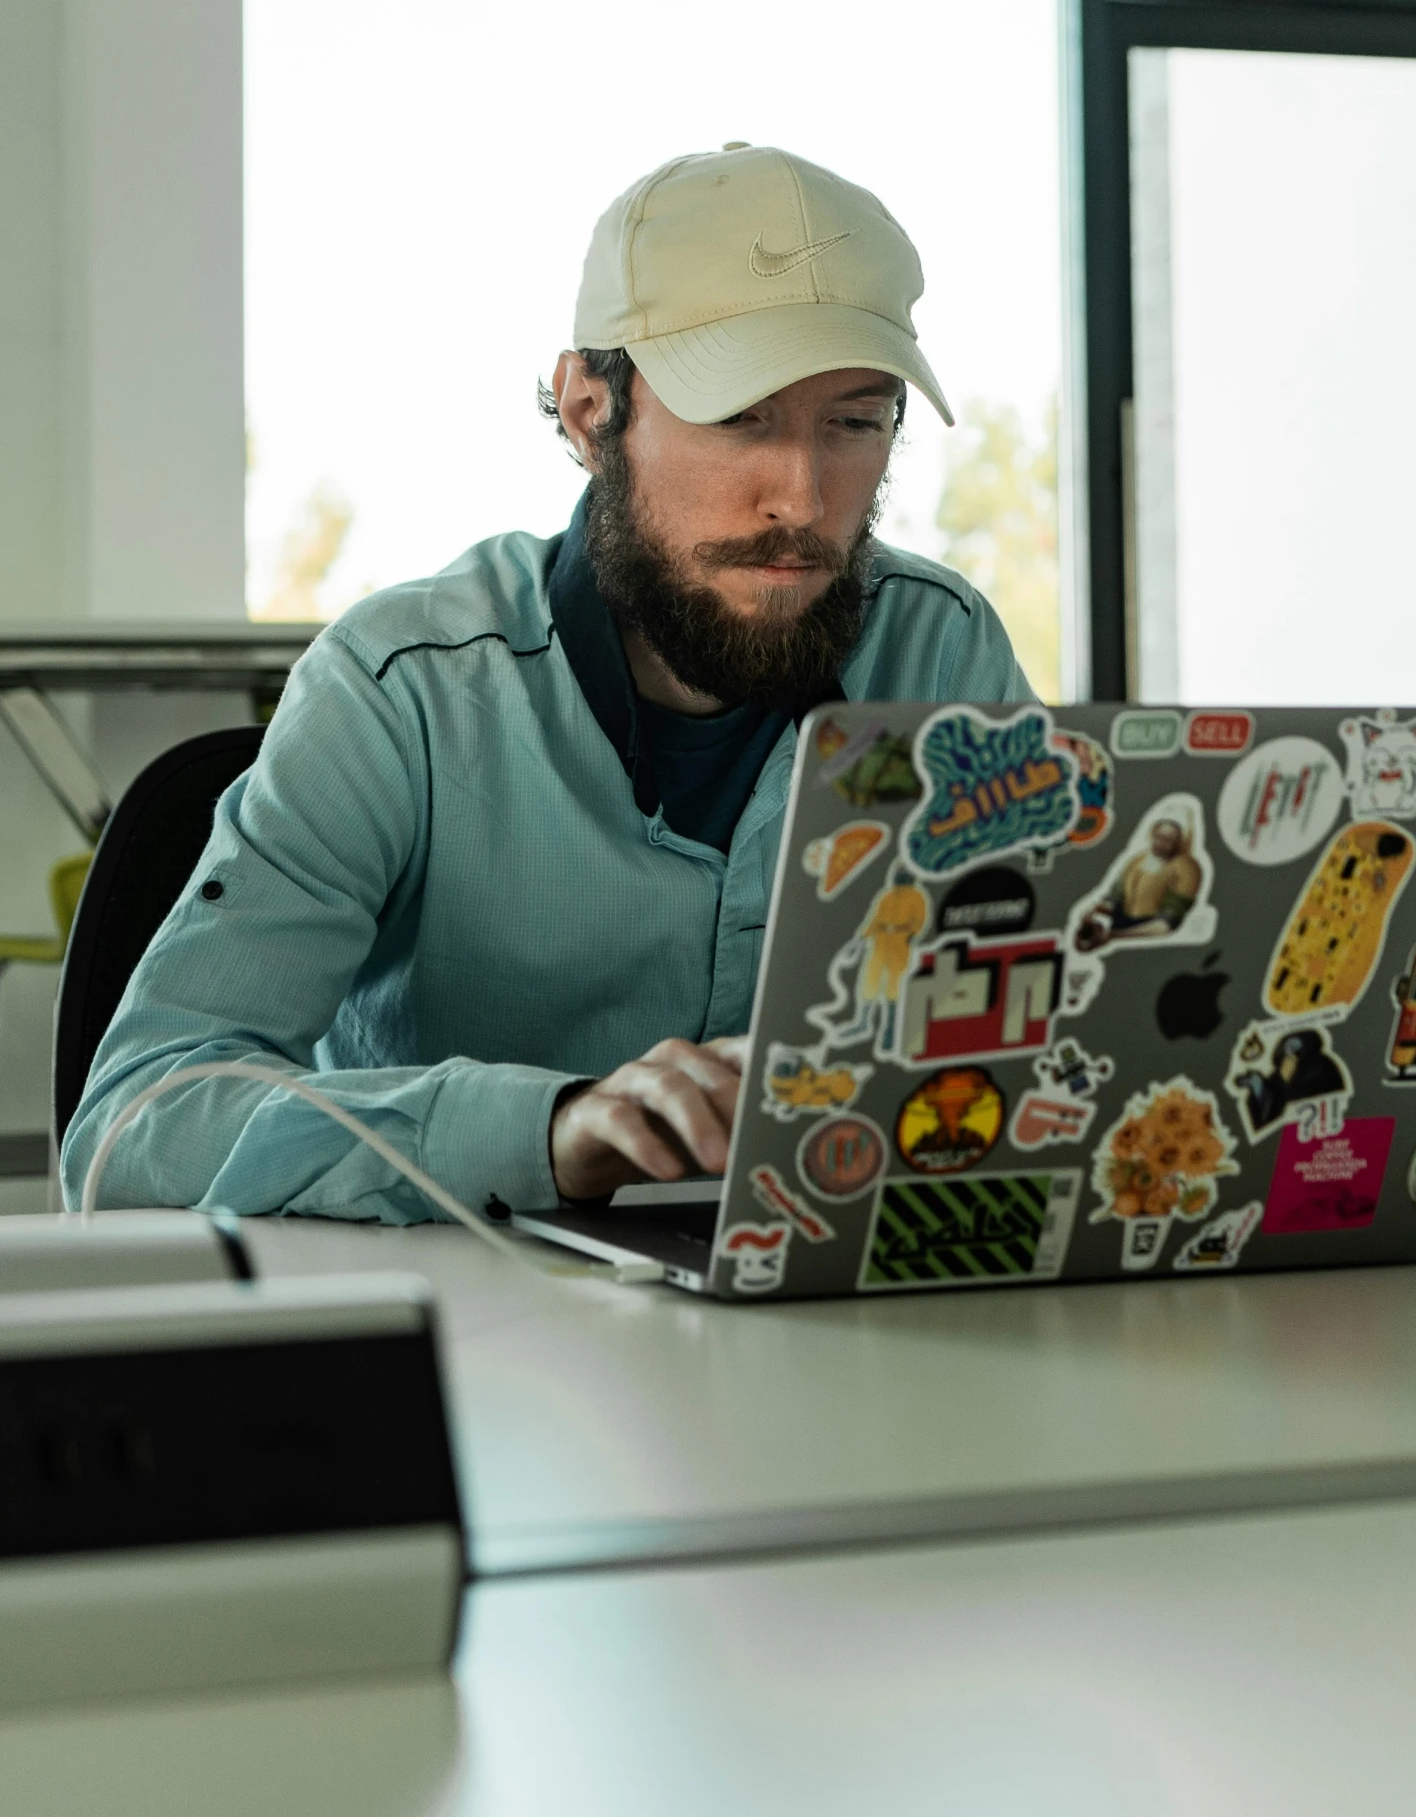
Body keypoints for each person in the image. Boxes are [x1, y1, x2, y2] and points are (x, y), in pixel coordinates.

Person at [61, 144, 1030, 1222]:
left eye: (853, 422)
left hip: (848, 1330)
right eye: (739, 416)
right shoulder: (399, 692)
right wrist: (549, 1131)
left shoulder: (942, 654)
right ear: (587, 406)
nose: (800, 497)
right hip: (471, 1337)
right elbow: (130, 1131)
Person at [1073, 817, 1203, 954]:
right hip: (1121, 929)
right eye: (1157, 836)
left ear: (1177, 842)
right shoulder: (1137, 861)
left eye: (1167, 839)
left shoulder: (1186, 869)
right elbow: (1115, 898)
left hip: (1149, 944)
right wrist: (1095, 910)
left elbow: (1165, 926)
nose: (1160, 843)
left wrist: (1114, 935)